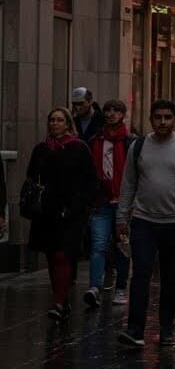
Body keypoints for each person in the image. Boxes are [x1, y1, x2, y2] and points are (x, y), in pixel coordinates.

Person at [116, 99, 175, 348]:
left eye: (168, 117)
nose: (162, 122)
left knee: (170, 278)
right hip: (143, 221)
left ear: (174, 119)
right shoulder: (138, 147)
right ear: (150, 119)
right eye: (158, 117)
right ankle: (135, 329)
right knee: (141, 275)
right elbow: (128, 184)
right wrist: (121, 217)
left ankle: (167, 329)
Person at [24, 107, 97, 322]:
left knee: (63, 255)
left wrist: (82, 205)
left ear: (67, 123)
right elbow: (31, 177)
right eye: (52, 120)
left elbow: (90, 180)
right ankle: (62, 299)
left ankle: (58, 302)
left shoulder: (78, 148)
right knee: (50, 255)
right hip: (46, 212)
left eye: (59, 120)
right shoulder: (41, 149)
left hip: (70, 212)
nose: (55, 124)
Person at [85, 99, 135, 308]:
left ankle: (121, 288)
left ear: (123, 114)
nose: (111, 114)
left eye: (116, 111)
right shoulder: (95, 140)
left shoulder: (130, 142)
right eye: (108, 110)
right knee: (98, 244)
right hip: (101, 201)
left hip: (124, 202)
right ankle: (94, 287)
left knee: (122, 246)